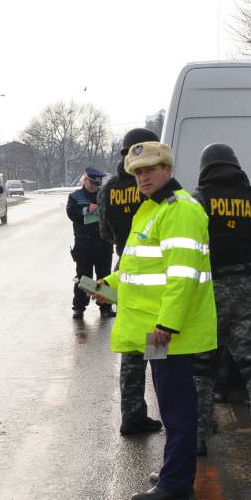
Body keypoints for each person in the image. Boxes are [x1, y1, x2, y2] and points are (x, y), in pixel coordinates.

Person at [94, 141, 217, 500]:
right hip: (158, 330)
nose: (143, 177)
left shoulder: (180, 211)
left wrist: (167, 324)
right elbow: (137, 270)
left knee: (177, 407)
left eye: (150, 170)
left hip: (169, 332)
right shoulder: (150, 210)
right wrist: (107, 286)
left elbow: (183, 274)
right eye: (137, 172)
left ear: (167, 169)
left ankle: (176, 484)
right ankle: (173, 471)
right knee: (168, 403)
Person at [192, 143, 251, 462]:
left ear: (205, 168)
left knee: (201, 368)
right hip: (247, 287)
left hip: (208, 291)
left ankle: (198, 438)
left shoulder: (196, 203)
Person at [97, 128, 163, 436]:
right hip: (156, 268)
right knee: (158, 344)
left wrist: (124, 247)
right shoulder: (151, 184)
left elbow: (104, 231)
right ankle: (175, 412)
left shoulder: (108, 188)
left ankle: (132, 414)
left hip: (126, 264)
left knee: (132, 349)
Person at [66, 167, 114, 319]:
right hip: (84, 245)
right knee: (83, 278)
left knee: (104, 277)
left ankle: (105, 307)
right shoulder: (75, 197)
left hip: (104, 244)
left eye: (97, 184)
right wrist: (87, 210)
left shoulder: (105, 195)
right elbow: (72, 214)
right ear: (85, 179)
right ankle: (79, 307)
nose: (94, 187)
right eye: (92, 183)